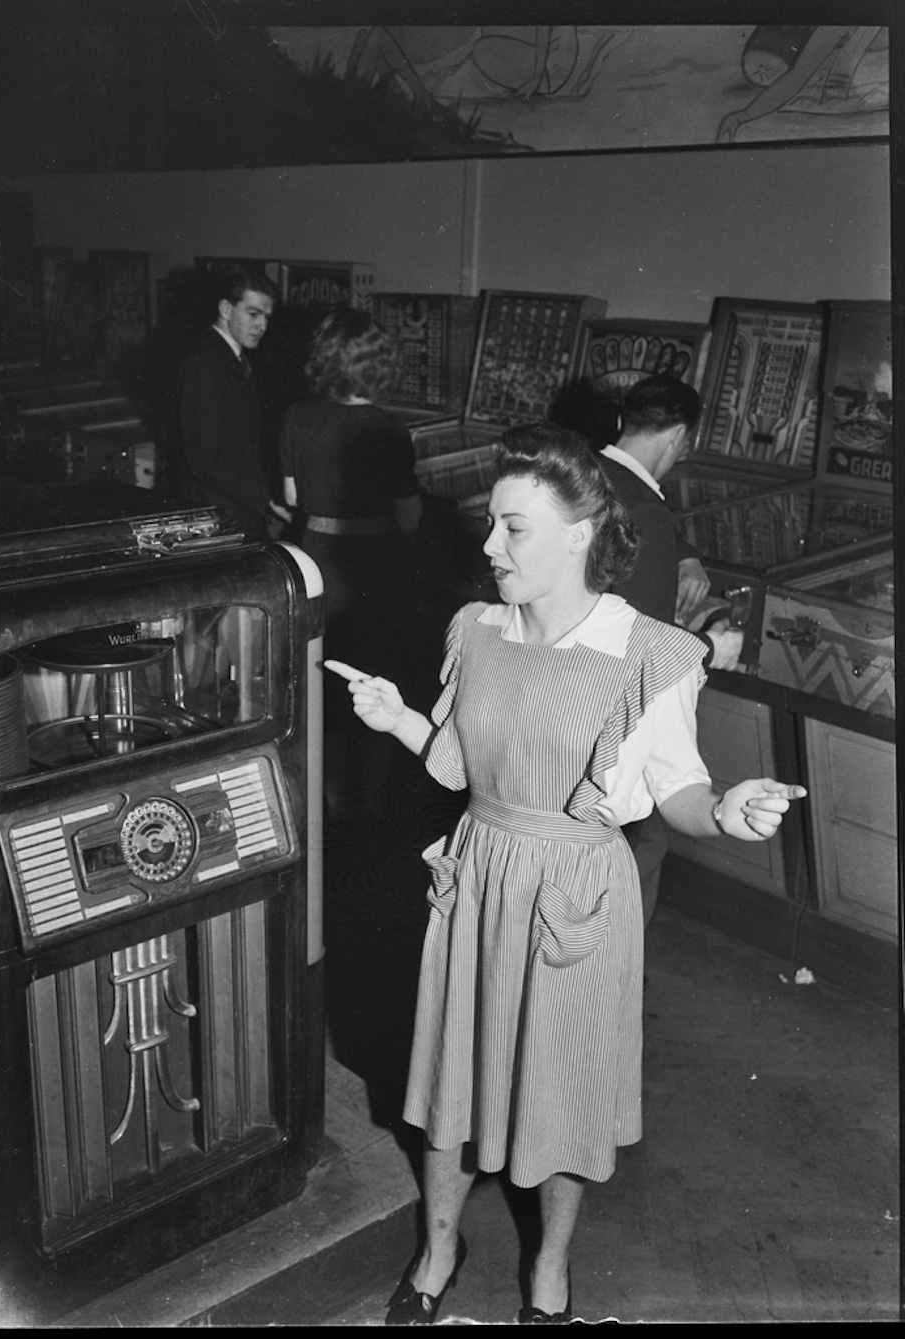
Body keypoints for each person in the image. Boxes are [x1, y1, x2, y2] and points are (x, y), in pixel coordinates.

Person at [328, 423, 805, 1325]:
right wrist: (398, 719)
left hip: (577, 899)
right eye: (492, 525)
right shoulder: (475, 629)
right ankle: (437, 1251)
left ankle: (549, 1269)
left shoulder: (646, 653)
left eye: (513, 528)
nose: (488, 545)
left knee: (564, 1098)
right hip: (478, 881)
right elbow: (462, 764)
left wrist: (726, 810)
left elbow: (680, 788)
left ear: (581, 532)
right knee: (450, 1085)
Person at [599, 374, 744, 928]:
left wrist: (682, 554)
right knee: (641, 847)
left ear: (623, 422)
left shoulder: (583, 471)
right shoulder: (648, 514)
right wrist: (711, 647)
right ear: (682, 436)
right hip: (616, 728)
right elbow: (651, 656)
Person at [280, 307, 422, 814]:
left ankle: (324, 796)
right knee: (375, 678)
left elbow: (294, 496)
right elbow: (408, 518)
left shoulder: (298, 416)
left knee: (321, 676)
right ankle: (371, 801)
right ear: (377, 365)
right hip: (374, 567)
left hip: (316, 560)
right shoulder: (388, 427)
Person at [176, 268, 283, 539]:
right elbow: (206, 459)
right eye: (253, 314)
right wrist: (265, 500)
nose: (263, 326)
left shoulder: (228, 358)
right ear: (226, 308)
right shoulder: (205, 362)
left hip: (235, 507)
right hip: (217, 513)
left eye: (267, 317)